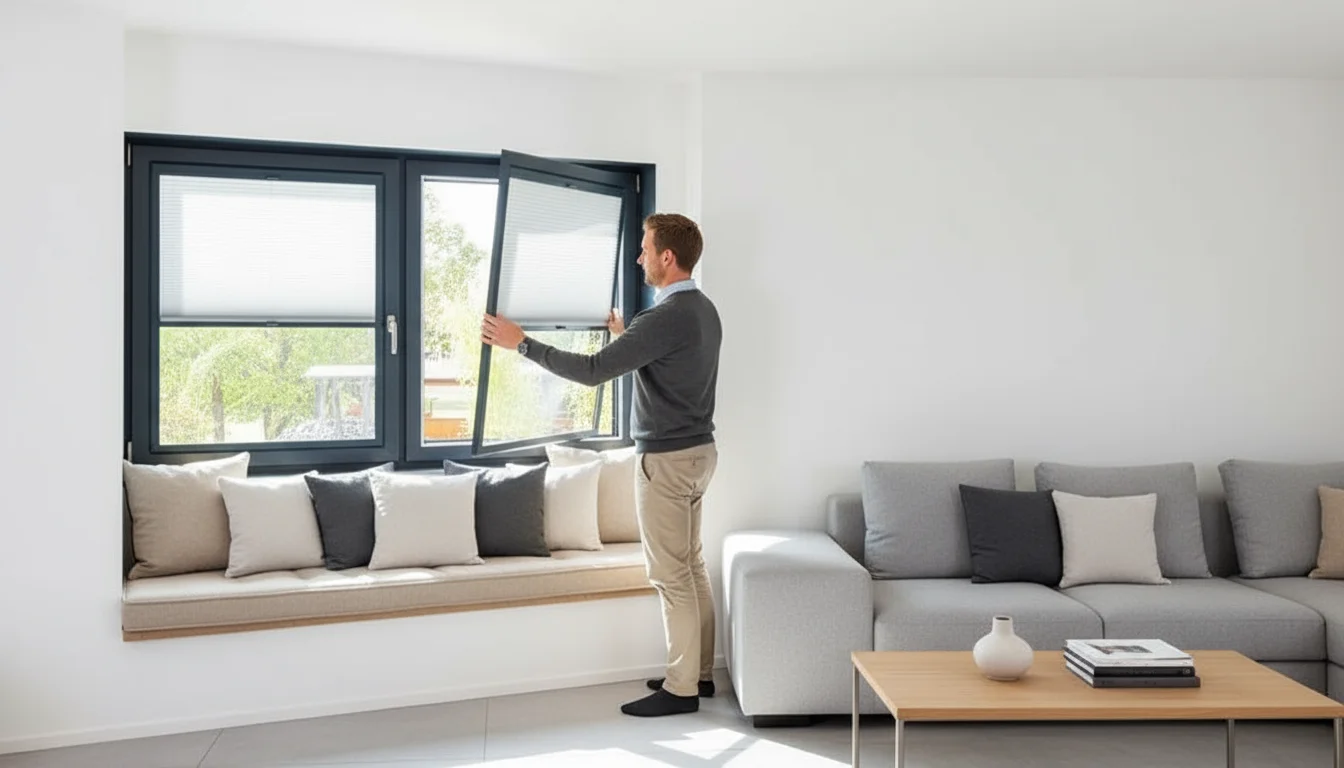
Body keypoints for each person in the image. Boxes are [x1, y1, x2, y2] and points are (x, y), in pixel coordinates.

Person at [481, 213, 721, 718]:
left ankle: (680, 691)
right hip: (700, 454)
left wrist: (520, 342)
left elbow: (591, 373)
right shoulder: (703, 311)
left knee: (670, 574)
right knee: (692, 566)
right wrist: (625, 333)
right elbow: (664, 362)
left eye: (644, 249)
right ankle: (697, 674)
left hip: (667, 460)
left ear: (667, 257)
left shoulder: (663, 319)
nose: (639, 258)